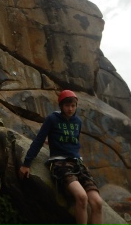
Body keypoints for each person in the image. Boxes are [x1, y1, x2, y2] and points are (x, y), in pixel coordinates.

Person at [19, 90, 103, 225]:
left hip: (77, 163)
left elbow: (73, 142)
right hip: (60, 164)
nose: (70, 109)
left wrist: (55, 142)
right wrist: (26, 163)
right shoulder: (52, 119)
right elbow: (39, 141)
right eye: (67, 105)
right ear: (61, 105)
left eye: (73, 106)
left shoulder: (78, 121)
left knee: (97, 203)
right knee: (82, 197)